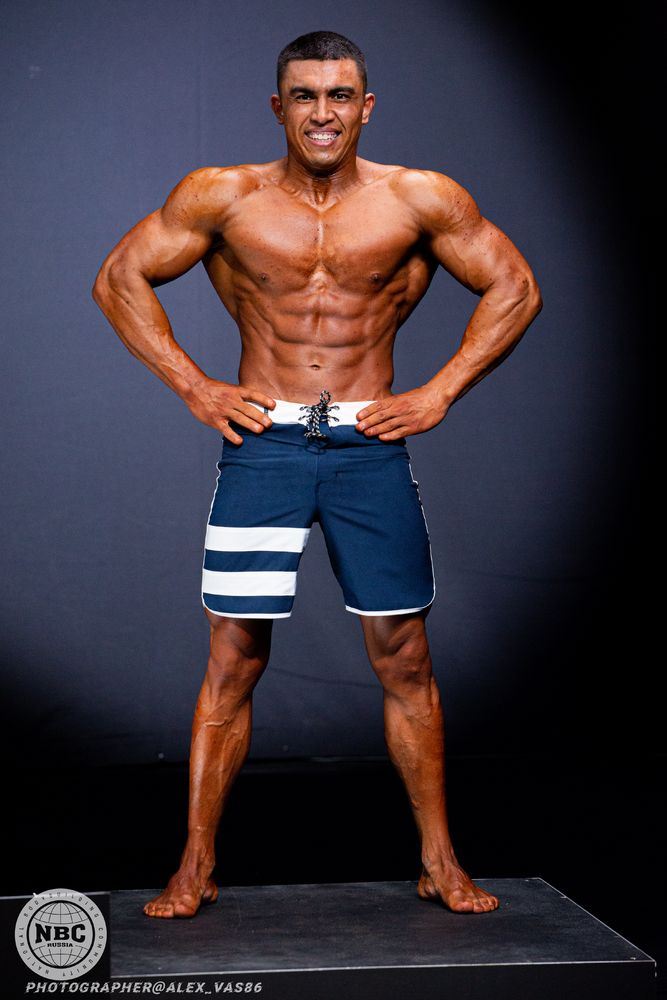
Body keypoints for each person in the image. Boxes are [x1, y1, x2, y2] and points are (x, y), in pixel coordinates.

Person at [92, 30, 541, 919]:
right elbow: (119, 278)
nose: (323, 112)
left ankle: (440, 861)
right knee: (233, 656)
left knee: (404, 654)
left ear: (365, 107)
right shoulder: (223, 195)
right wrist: (193, 384)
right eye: (305, 95)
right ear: (278, 107)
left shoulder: (419, 198)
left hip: (368, 445)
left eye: (339, 95)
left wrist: (440, 390)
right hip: (265, 443)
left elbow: (514, 286)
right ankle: (194, 865)